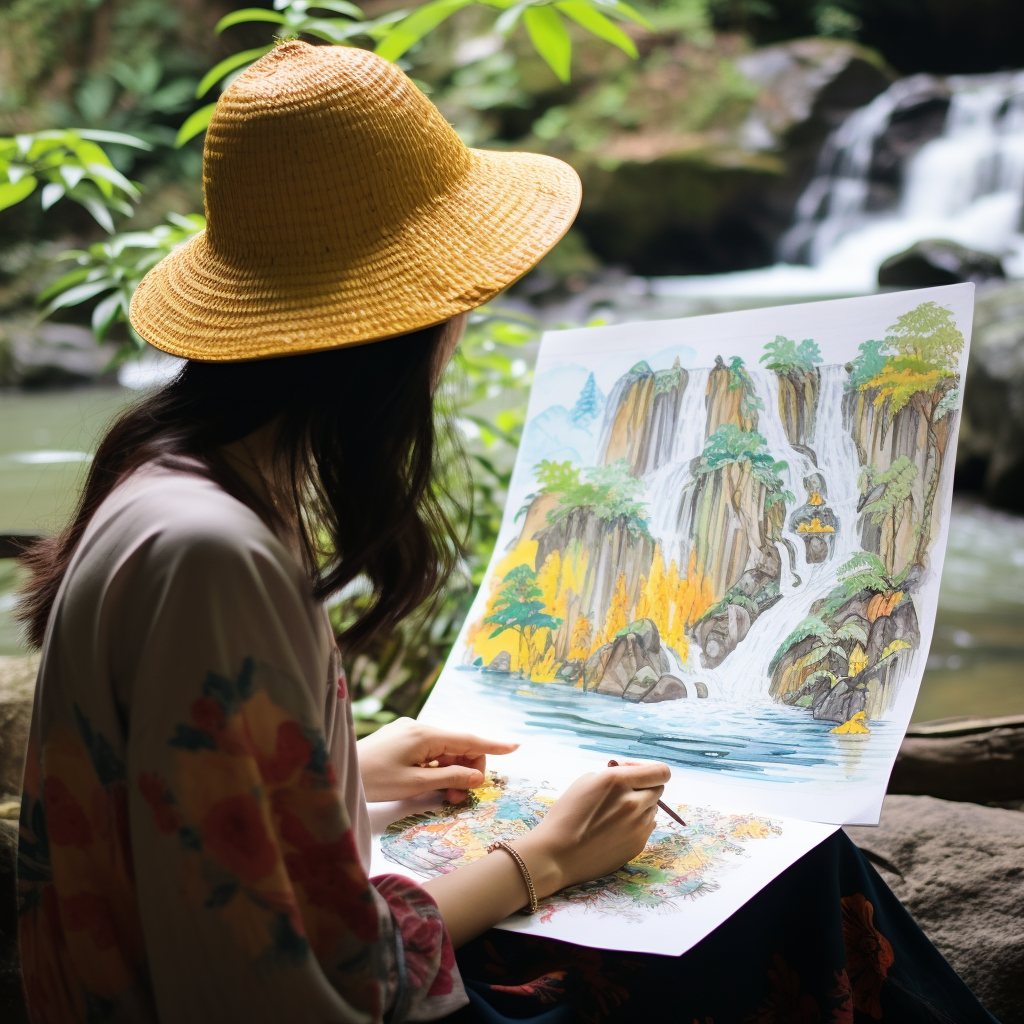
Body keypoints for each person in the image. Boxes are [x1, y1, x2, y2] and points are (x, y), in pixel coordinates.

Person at [15, 40, 998, 1024]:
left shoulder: (163, 483)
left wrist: (348, 766)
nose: (460, 329)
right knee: (792, 883)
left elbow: (188, 824)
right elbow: (309, 978)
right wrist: (543, 856)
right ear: (398, 326)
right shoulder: (213, 552)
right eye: (457, 305)